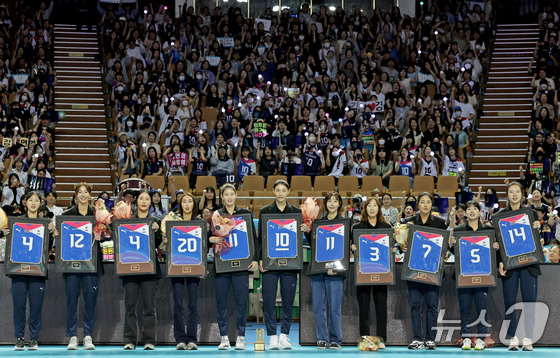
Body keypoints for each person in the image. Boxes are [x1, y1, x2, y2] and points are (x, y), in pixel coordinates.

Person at [257, 180, 307, 350]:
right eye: (277, 190)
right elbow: (260, 239)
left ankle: (284, 335)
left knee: (288, 300)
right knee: (269, 301)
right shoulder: (265, 211)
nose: (280, 193)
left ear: (288, 192)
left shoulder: (296, 212)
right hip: (270, 263)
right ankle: (272, 336)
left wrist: (303, 229)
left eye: (283, 190)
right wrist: (260, 259)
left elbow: (300, 240)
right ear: (273, 192)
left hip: (290, 263)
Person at [209, 184, 258, 350]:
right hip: (221, 265)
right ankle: (223, 337)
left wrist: (255, 259)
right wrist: (211, 239)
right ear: (222, 197)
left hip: (241, 265)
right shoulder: (216, 215)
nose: (229, 197)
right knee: (222, 302)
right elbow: (209, 236)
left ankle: (241, 337)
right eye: (226, 195)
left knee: (241, 302)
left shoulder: (246, 214)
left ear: (236, 195)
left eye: (232, 194)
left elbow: (253, 238)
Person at [7, 191, 56, 351]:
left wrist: (52, 233)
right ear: (25, 203)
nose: (33, 203)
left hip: (37, 270)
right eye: (30, 200)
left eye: (36, 200)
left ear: (40, 203)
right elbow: (12, 246)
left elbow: (47, 248)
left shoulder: (45, 223)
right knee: (19, 306)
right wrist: (6, 234)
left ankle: (34, 339)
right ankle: (19, 338)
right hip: (18, 271)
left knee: (36, 306)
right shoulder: (16, 222)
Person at [495, 182, 541, 351]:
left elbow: (535, 240)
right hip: (509, 264)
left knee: (530, 301)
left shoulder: (531, 213)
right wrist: (500, 261)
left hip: (529, 263)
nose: (514, 195)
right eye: (511, 192)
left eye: (517, 192)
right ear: (507, 195)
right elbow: (497, 242)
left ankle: (528, 337)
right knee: (509, 301)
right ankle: (512, 337)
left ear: (522, 195)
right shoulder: (500, 215)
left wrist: (538, 229)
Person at [403, 192, 447, 350]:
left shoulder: (440, 223)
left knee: (432, 305)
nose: (426, 204)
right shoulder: (409, 223)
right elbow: (402, 244)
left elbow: (445, 245)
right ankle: (417, 338)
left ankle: (430, 339)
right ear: (418, 205)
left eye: (428, 202)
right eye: (422, 202)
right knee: (415, 304)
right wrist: (403, 246)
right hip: (413, 269)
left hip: (432, 270)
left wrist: (446, 251)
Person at [450, 201, 494, 351]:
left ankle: (481, 339)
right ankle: (466, 338)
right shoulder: (458, 230)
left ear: (480, 212)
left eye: (475, 208)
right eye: (469, 209)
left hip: (483, 274)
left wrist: (496, 246)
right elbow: (452, 251)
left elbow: (494, 252)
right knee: (465, 309)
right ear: (465, 213)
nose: (472, 211)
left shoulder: (489, 230)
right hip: (464, 275)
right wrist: (451, 243)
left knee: (482, 308)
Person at [307, 192, 348, 349]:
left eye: (335, 201)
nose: (332, 203)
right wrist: (307, 231)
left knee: (335, 308)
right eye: (329, 201)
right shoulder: (319, 222)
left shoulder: (344, 223)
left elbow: (344, 248)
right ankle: (322, 338)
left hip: (335, 272)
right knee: (318, 307)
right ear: (325, 204)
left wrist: (336, 268)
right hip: (318, 271)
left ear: (339, 204)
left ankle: (335, 339)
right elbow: (315, 246)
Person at [121, 190, 162, 350]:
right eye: (141, 199)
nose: (144, 201)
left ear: (151, 202)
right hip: (130, 269)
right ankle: (130, 340)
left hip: (150, 270)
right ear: (136, 202)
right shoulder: (127, 220)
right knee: (129, 307)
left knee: (149, 307)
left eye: (147, 199)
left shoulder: (155, 222)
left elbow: (159, 244)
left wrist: (158, 232)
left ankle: (149, 340)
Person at [61, 183, 99, 350]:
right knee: (71, 301)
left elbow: (104, 239)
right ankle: (73, 337)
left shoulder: (97, 215)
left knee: (90, 301)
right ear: (76, 195)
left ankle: (88, 336)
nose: (83, 195)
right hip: (71, 265)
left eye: (86, 192)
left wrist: (102, 232)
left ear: (90, 195)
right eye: (80, 192)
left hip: (92, 265)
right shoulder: (67, 215)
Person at [351, 196, 392, 348]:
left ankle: (381, 339)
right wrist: (352, 249)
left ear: (379, 208)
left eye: (375, 205)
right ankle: (364, 338)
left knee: (381, 306)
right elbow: (352, 248)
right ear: (365, 208)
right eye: (369, 206)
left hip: (381, 272)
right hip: (363, 272)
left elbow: (391, 249)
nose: (372, 208)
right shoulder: (357, 227)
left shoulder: (386, 227)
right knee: (364, 306)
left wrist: (393, 250)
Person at [171, 192, 205, 350]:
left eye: (189, 201)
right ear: (180, 204)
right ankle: (180, 339)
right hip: (176, 265)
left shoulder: (200, 222)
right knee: (178, 304)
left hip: (194, 266)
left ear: (194, 205)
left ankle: (192, 339)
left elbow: (204, 246)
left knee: (193, 305)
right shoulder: (173, 222)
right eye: (184, 201)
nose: (186, 204)